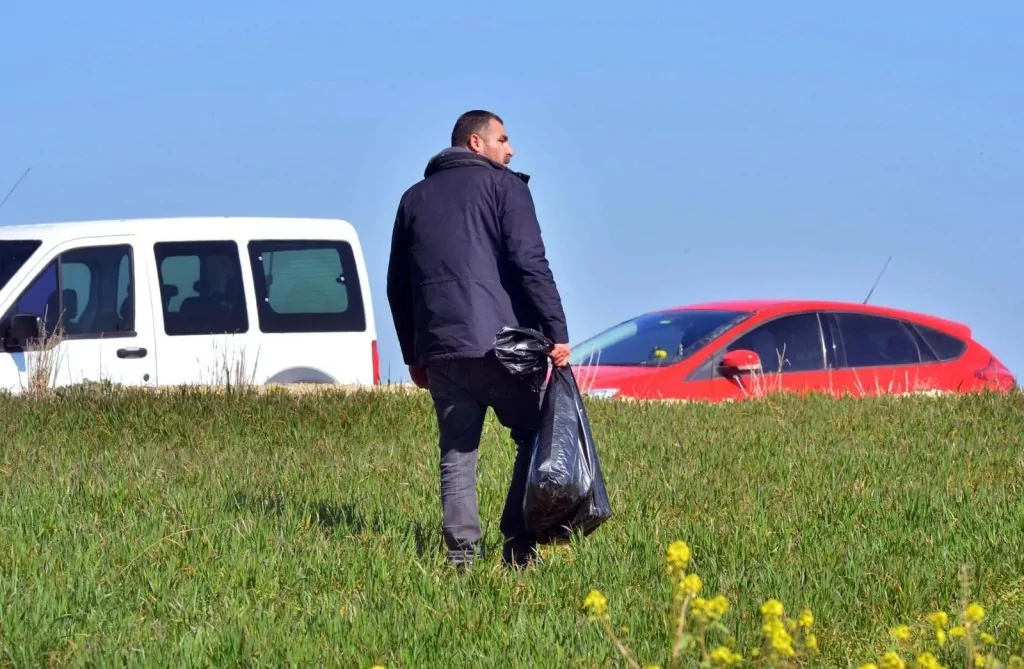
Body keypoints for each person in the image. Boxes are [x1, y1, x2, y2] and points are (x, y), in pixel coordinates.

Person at [386, 110, 571, 569]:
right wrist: (557, 333)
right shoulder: (506, 188)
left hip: (442, 350)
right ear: (475, 142)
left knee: (457, 454)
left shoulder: (414, 198)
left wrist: (414, 354)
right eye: (503, 139)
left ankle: (461, 560)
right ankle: (518, 545)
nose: (511, 150)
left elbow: (398, 284)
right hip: (501, 347)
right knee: (533, 434)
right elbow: (531, 262)